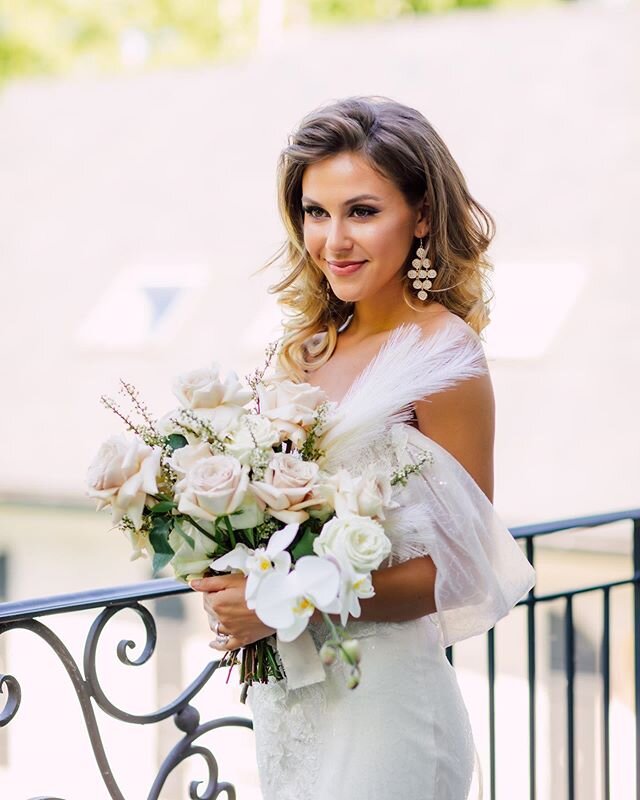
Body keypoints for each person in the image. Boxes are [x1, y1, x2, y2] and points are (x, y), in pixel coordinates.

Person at [190, 96, 536, 800]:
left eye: (362, 211)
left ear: (424, 217)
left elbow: (463, 569)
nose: (333, 240)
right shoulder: (305, 349)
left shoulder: (446, 355)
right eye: (316, 212)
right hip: (291, 702)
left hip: (385, 712)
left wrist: (291, 605)